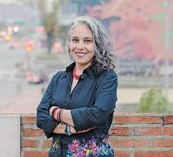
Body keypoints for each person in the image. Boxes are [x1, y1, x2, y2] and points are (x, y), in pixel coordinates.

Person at [37, 16, 118, 156]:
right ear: (69, 43)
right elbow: (41, 116)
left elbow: (96, 115)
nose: (80, 46)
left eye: (87, 41)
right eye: (75, 40)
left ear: (97, 45)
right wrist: (67, 129)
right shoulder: (58, 78)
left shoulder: (107, 78)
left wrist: (57, 112)